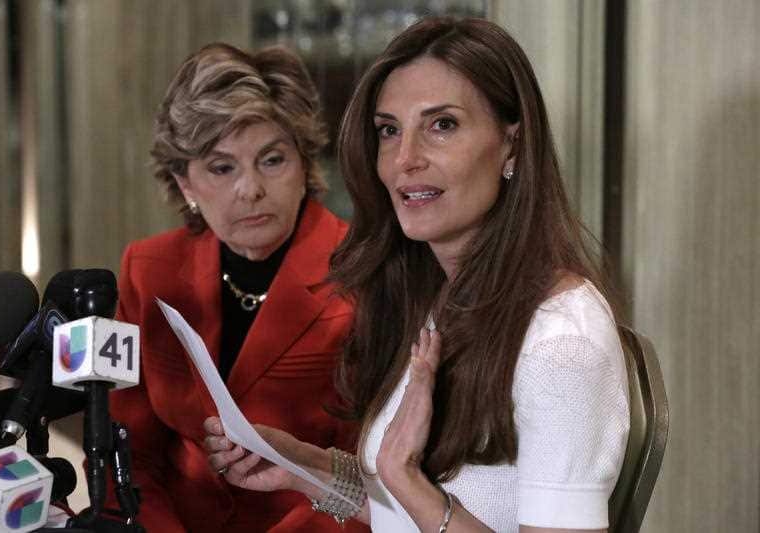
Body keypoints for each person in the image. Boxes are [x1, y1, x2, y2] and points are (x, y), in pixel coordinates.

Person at [203, 16, 630, 533]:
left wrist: (405, 478)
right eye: (389, 130)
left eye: (442, 125)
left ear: (512, 145)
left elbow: (413, 494)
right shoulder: (443, 299)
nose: (404, 159)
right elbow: (407, 515)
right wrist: (304, 465)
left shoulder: (561, 342)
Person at [109, 42, 368, 532]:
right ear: (185, 183)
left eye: (272, 160)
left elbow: (371, 475)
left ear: (304, 163)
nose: (249, 189)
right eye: (222, 168)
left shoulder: (365, 274)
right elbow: (127, 455)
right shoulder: (149, 270)